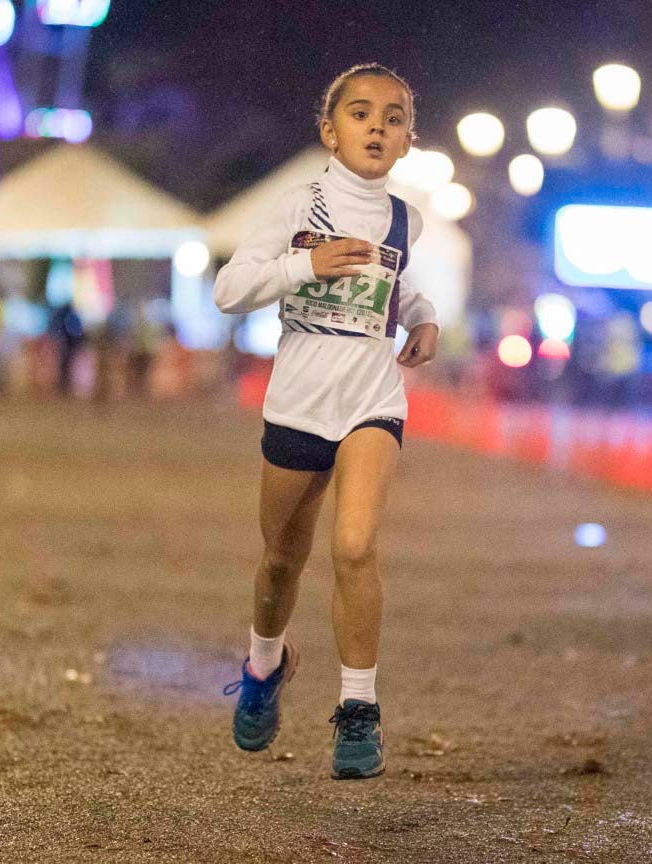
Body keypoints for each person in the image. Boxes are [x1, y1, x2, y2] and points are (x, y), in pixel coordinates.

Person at [214, 63, 439, 779]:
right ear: (329, 129)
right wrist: (302, 268)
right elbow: (228, 290)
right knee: (282, 559)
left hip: (372, 399)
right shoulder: (295, 204)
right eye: (361, 113)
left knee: (354, 549)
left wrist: (424, 317)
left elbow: (400, 284)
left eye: (394, 117)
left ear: (407, 141)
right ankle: (264, 665)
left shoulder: (408, 216)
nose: (378, 126)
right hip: (298, 403)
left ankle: (358, 710)